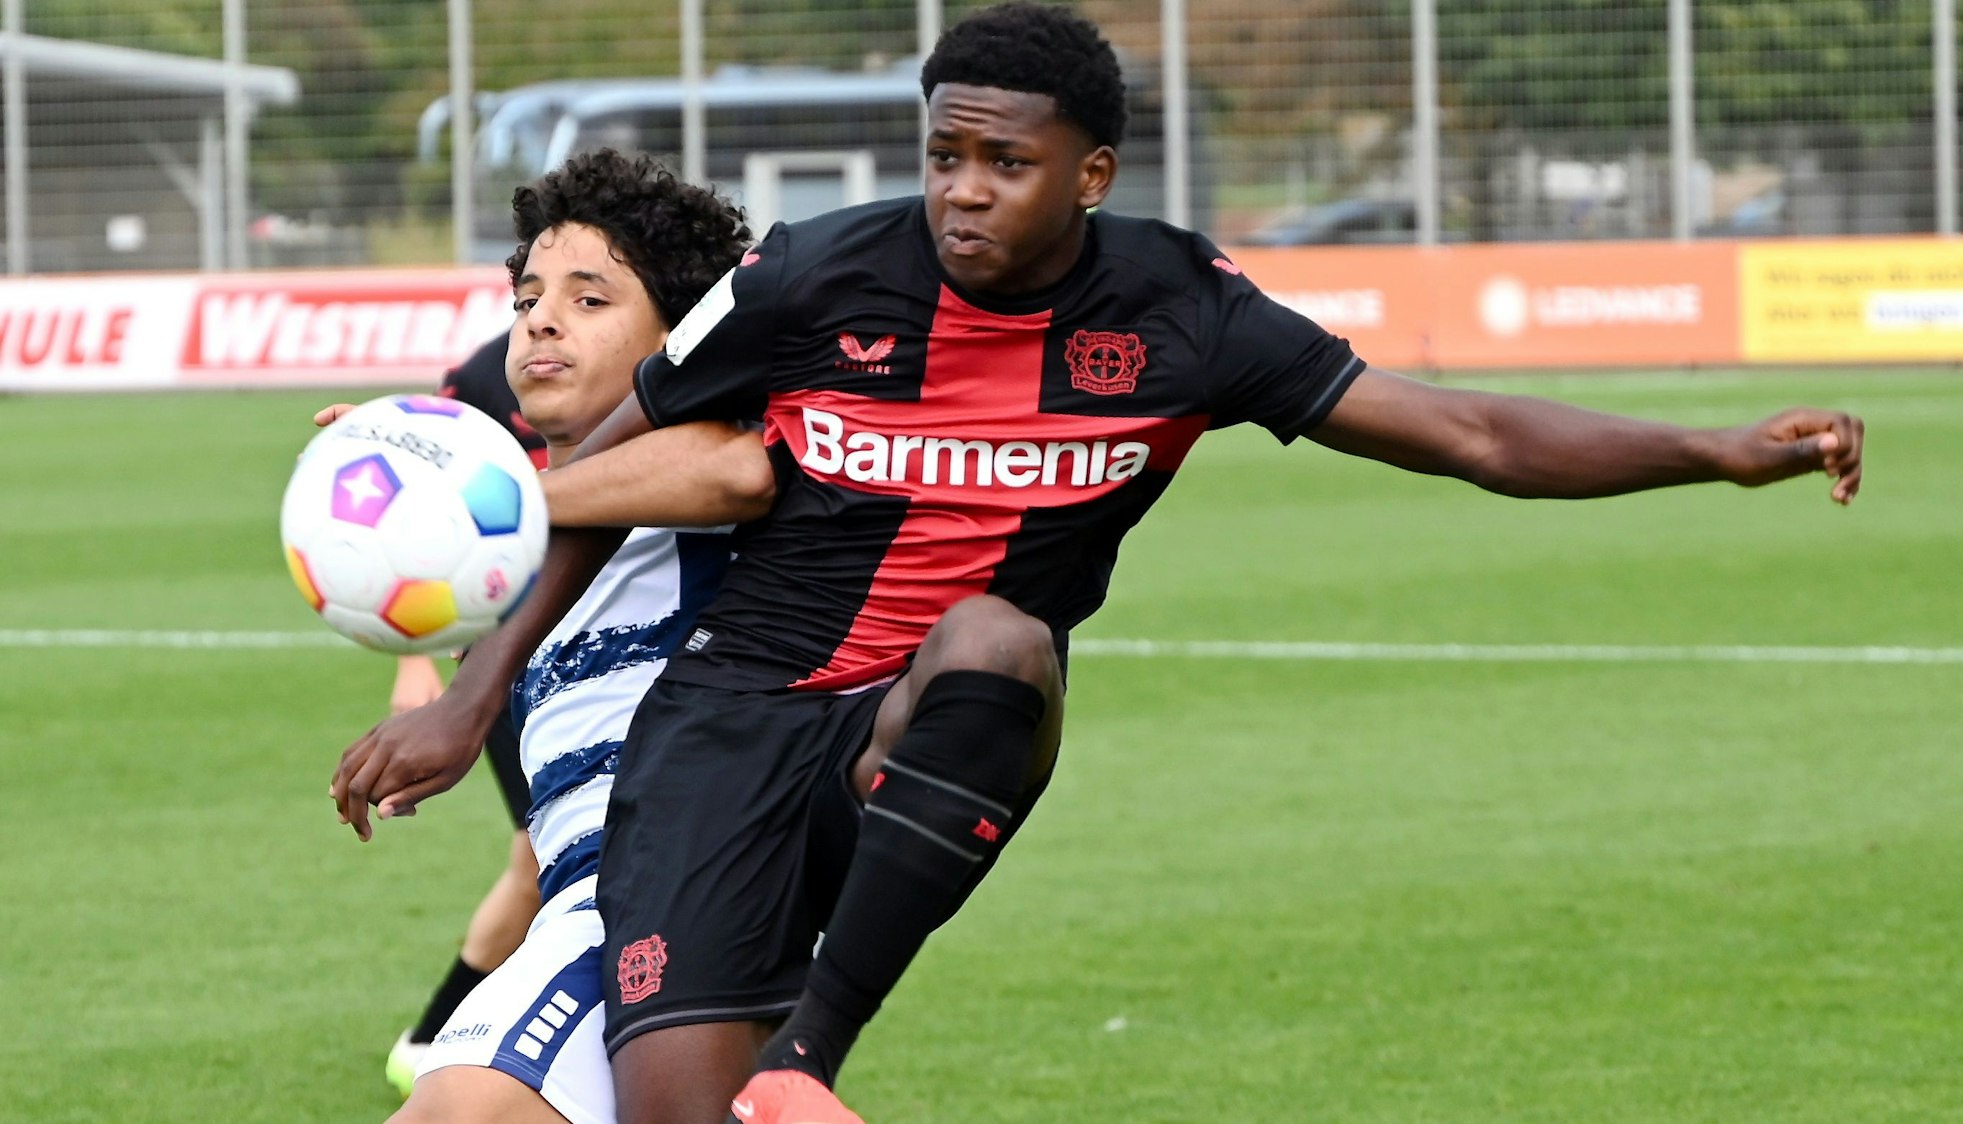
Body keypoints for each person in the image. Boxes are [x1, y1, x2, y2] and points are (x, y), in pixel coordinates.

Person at [330, 6, 1866, 1123]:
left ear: (1092, 174)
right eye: (944, 155)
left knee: (1002, 637)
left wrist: (1718, 451)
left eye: (1007, 161)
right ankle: (757, 1080)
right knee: (675, 1114)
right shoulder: (810, 278)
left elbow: (1463, 427)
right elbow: (596, 467)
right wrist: (471, 699)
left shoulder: (1184, 313)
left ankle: (814, 1063)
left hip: (912, 721)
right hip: (723, 730)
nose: (964, 191)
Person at [339, 147, 762, 1124]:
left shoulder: (694, 464)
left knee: (458, 1110)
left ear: (679, 339)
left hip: (655, 897)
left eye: (590, 297)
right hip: (595, 900)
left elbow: (733, 468)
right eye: (528, 293)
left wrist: (490, 500)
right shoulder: (522, 550)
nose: (540, 316)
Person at [384, 331, 550, 1100]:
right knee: (541, 861)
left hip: (614, 655)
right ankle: (433, 1039)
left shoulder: (658, 366)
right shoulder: (487, 374)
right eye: (532, 292)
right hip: (507, 660)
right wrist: (417, 658)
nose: (545, 316)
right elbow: (414, 524)